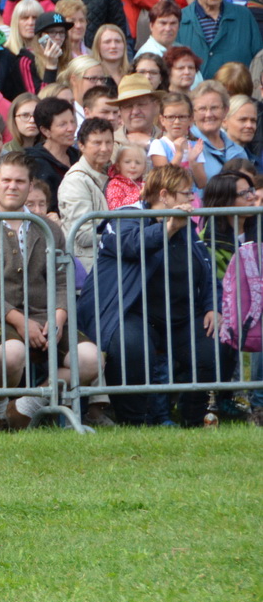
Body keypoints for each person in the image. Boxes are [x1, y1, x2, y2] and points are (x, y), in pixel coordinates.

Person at [0, 155, 99, 428]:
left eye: (20, 181)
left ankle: (25, 406)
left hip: (44, 315)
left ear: (30, 185)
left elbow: (61, 281)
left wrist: (57, 319)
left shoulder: (47, 227)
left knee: (91, 360)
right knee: (13, 353)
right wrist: (19, 321)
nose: (13, 186)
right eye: (6, 180)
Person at [79, 164, 221, 425]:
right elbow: (131, 244)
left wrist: (213, 306)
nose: (192, 199)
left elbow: (207, 268)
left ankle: (194, 420)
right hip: (131, 312)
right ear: (164, 195)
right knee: (131, 347)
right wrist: (167, 229)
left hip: (180, 315)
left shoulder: (186, 226)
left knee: (211, 346)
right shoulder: (125, 216)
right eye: (186, 193)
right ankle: (136, 422)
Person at [177, 0, 263, 75]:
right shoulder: (180, 20)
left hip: (237, 91)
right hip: (193, 92)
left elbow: (259, 60)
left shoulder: (244, 16)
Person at [59, 116, 115, 264]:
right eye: (97, 143)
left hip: (105, 263)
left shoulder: (111, 174)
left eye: (108, 142)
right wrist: (123, 236)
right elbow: (83, 235)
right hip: (87, 269)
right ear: (81, 145)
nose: (104, 148)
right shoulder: (75, 181)